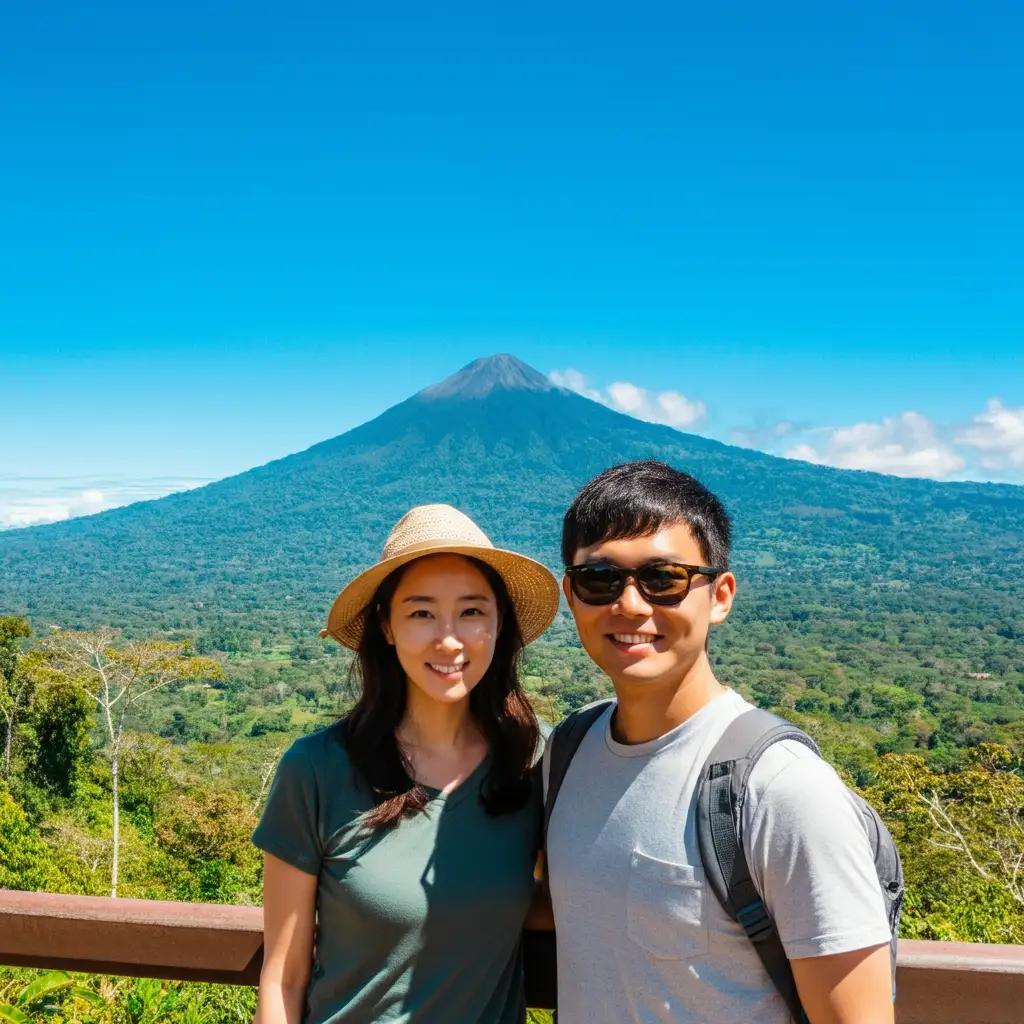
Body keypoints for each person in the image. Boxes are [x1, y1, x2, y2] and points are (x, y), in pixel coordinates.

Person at [545, 460, 895, 1024]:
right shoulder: (569, 752)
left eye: (664, 578)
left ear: (721, 595)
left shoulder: (781, 791)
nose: (630, 604)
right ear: (571, 594)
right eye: (600, 579)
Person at [252, 503, 560, 1024]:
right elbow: (284, 975)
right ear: (387, 627)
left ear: (498, 623)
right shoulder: (316, 771)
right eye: (421, 612)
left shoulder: (535, 764)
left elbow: (569, 899)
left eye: (471, 611)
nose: (448, 638)